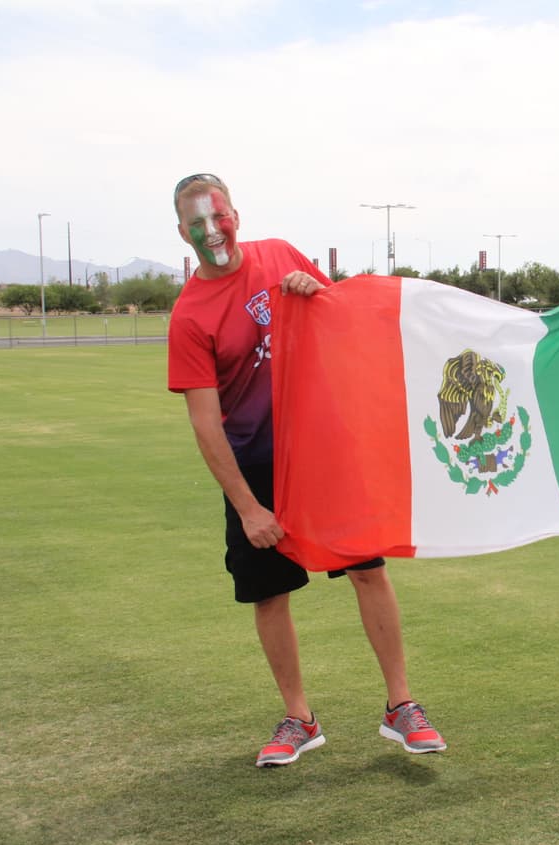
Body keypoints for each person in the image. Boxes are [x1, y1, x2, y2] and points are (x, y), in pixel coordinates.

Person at [166, 173, 445, 767]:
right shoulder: (190, 315)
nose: (212, 231)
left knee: (369, 571)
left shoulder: (281, 255)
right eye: (197, 223)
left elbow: (343, 324)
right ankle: (300, 718)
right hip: (257, 468)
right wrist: (248, 508)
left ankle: (402, 707)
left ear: (236, 213)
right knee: (270, 595)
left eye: (219, 216)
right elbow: (205, 423)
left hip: (322, 454)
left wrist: (318, 291)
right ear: (182, 232)